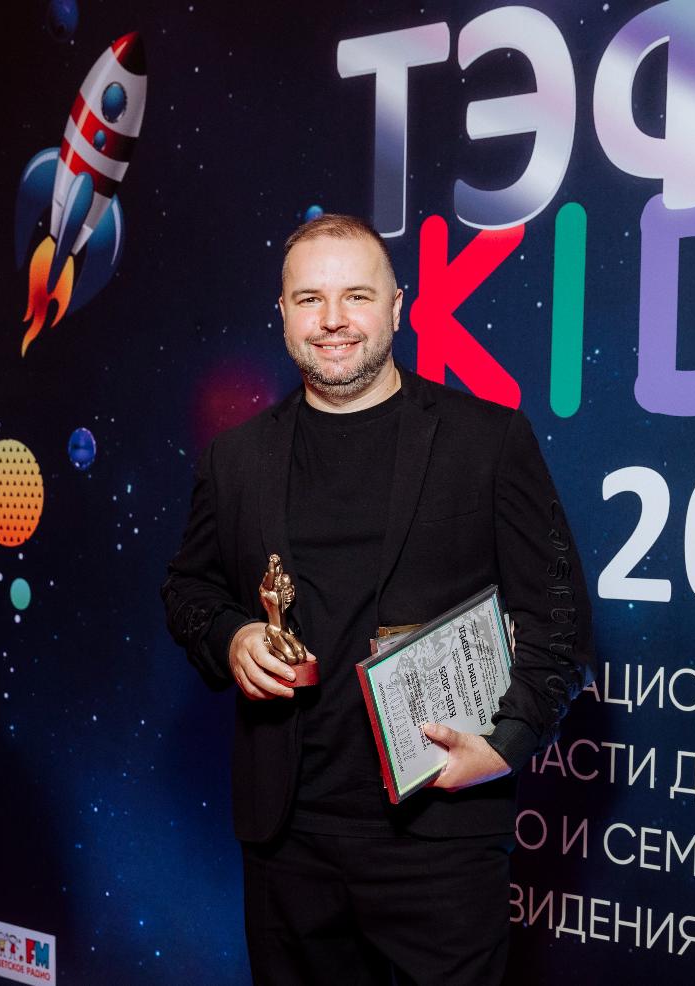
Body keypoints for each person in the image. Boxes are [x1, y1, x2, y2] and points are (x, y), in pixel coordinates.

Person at [161, 214, 594, 986]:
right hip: (287, 842)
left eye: (356, 296)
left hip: (440, 839)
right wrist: (231, 637)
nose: (333, 320)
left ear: (398, 307)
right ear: (283, 314)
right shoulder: (235, 459)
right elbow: (188, 590)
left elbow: (558, 613)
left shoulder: (489, 440)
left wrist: (508, 741)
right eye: (310, 299)